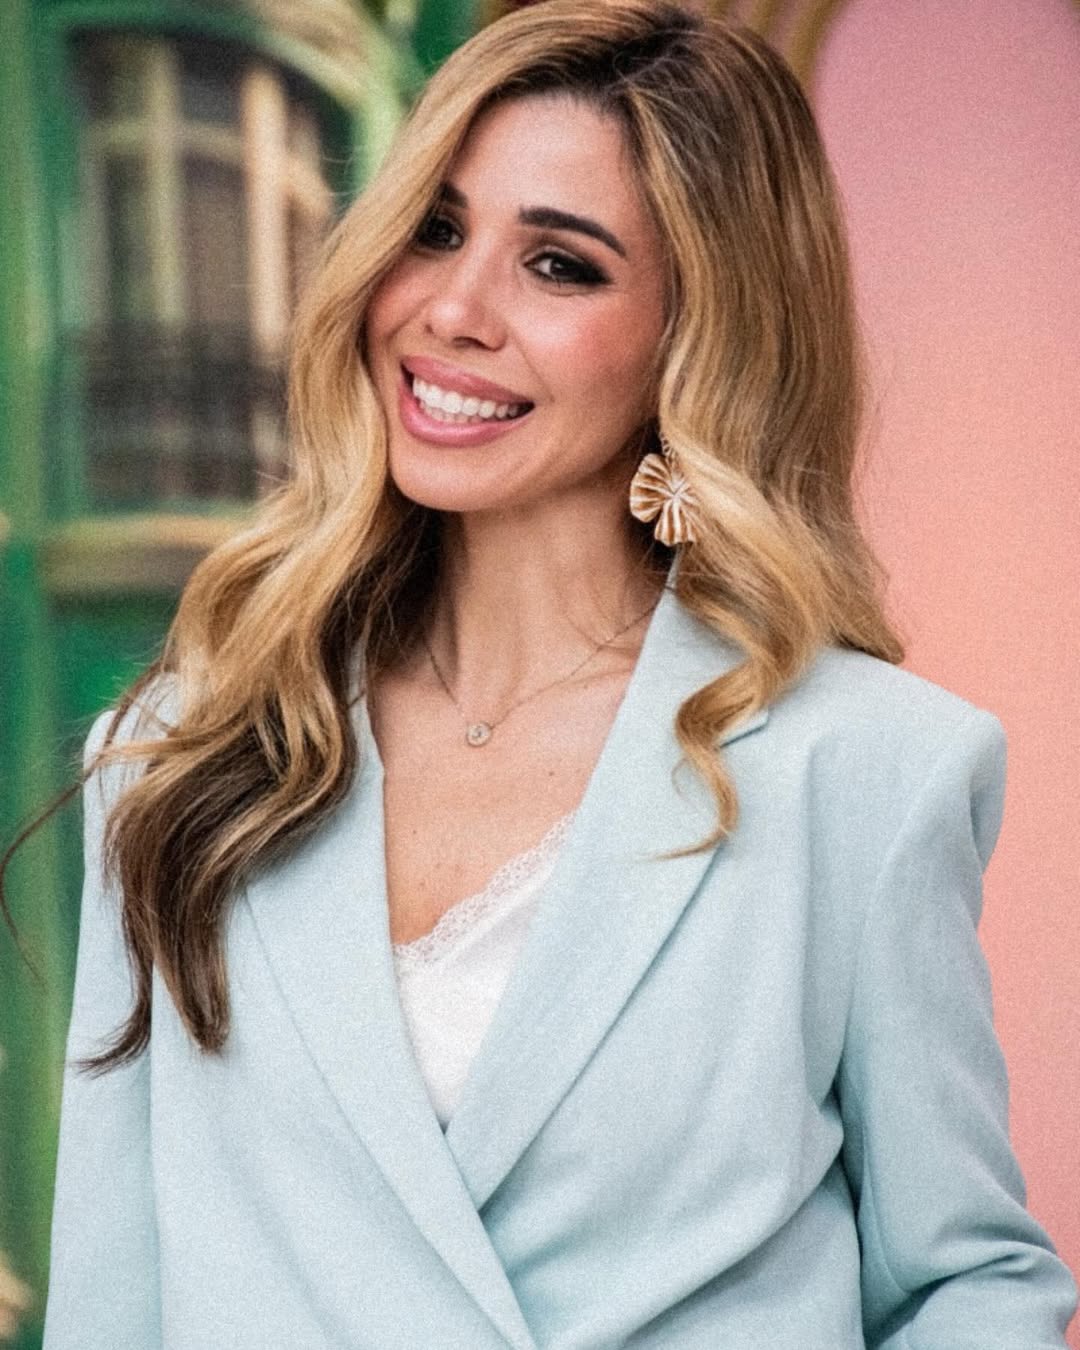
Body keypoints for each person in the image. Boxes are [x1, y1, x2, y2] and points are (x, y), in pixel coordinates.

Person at [38, 2, 1076, 1346]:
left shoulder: (868, 768)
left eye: (559, 265)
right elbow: (112, 1295)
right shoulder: (183, 754)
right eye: (435, 229)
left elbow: (968, 1282)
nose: (452, 311)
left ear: (698, 334)